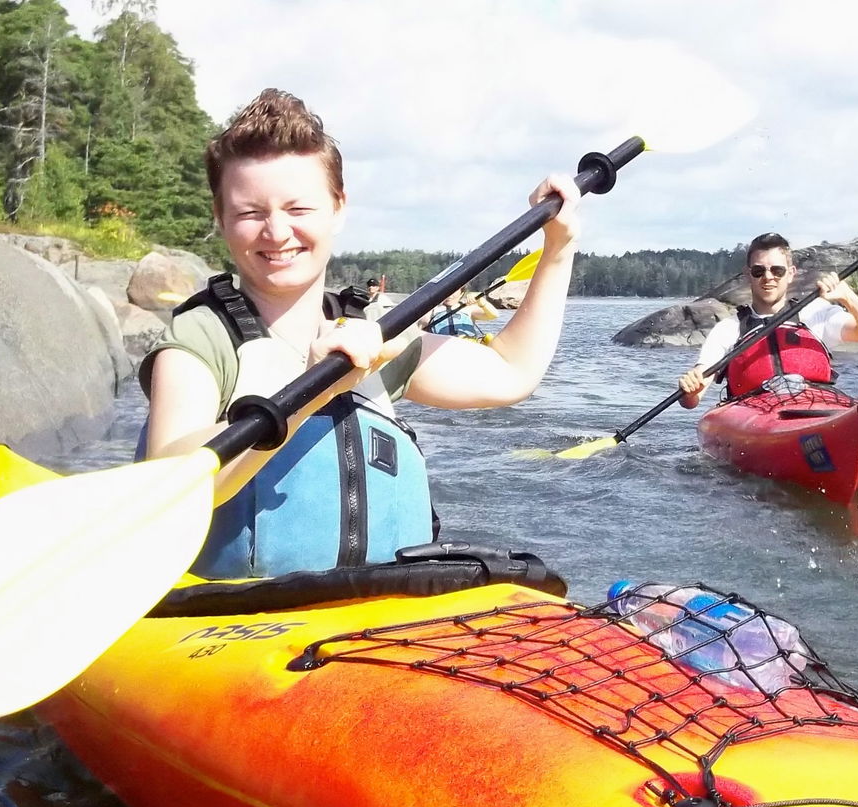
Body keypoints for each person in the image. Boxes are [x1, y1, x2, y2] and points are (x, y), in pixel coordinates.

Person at [139, 88, 580, 578]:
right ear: (221, 219)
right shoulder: (201, 339)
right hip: (232, 622)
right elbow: (168, 483)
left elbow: (510, 372)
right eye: (250, 213)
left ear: (338, 208)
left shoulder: (371, 334)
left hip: (368, 619)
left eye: (298, 209)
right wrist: (311, 390)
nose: (277, 232)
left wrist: (558, 248)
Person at [677, 232, 858, 409]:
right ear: (748, 275)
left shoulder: (816, 314)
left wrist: (847, 297)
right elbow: (693, 400)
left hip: (814, 409)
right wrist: (690, 389)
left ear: (790, 274)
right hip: (754, 419)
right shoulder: (729, 329)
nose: (768, 277)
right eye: (759, 271)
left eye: (777, 270)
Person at [425, 288, 498, 338]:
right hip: (441, 350)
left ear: (461, 293)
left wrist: (481, 301)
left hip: (465, 347)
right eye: (446, 291)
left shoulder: (469, 309)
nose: (449, 295)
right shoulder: (430, 312)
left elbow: (494, 315)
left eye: (453, 291)